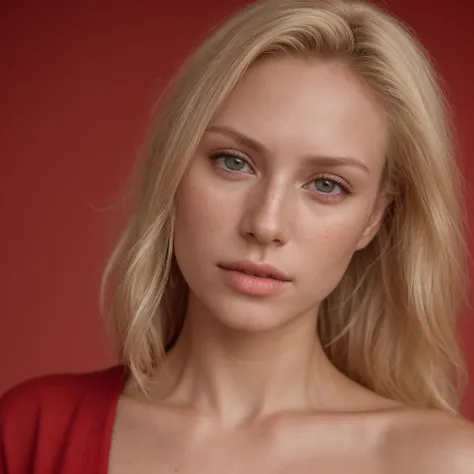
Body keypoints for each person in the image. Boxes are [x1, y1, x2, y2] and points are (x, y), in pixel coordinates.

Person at [1, 0, 474, 472]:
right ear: (175, 169)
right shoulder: (32, 431)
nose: (265, 224)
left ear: (373, 219)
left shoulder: (444, 460)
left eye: (327, 185)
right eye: (233, 162)